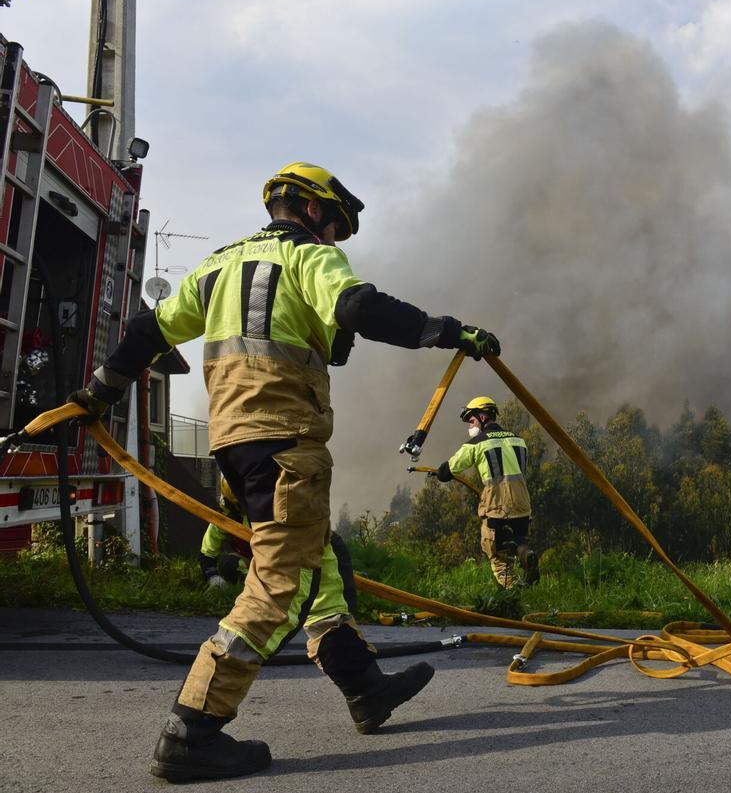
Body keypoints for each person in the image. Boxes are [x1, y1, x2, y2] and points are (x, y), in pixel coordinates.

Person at [66, 162, 501, 782]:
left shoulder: (216, 267)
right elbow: (356, 306)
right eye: (335, 226)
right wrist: (446, 330)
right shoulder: (307, 258)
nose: (334, 240)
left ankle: (363, 686)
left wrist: (96, 394)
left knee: (316, 558)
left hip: (234, 445)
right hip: (285, 442)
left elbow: (147, 332)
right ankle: (194, 727)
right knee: (280, 583)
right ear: (316, 211)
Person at [201, 477, 356, 614]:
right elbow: (207, 551)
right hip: (253, 563)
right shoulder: (225, 518)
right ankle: (253, 594)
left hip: (283, 560)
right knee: (229, 564)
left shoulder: (276, 508)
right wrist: (213, 577)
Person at [435, 396, 538, 588]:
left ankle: (514, 597)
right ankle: (526, 554)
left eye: (471, 420)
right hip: (523, 506)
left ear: (482, 417)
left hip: (497, 507)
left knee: (497, 556)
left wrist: (440, 472)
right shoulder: (519, 440)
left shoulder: (476, 444)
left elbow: (448, 470)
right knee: (518, 541)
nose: (470, 426)